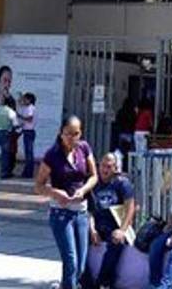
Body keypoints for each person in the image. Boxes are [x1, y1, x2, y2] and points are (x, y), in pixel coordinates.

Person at [35, 114, 97, 289]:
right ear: (61, 133)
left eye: (76, 134)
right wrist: (55, 192)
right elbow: (38, 185)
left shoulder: (84, 148)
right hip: (61, 213)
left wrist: (83, 190)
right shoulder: (52, 155)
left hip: (81, 212)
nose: (72, 138)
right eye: (68, 133)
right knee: (71, 262)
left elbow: (94, 176)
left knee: (80, 266)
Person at [87, 151, 135, 289]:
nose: (105, 169)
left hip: (114, 225)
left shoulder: (122, 183)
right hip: (98, 224)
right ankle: (85, 282)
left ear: (115, 168)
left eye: (109, 167)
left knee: (117, 242)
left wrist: (122, 230)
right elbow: (89, 211)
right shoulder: (94, 183)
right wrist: (92, 230)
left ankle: (103, 282)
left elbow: (130, 208)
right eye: (103, 166)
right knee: (78, 240)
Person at [18, 92, 37, 179]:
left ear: (29, 100)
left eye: (25, 99)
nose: (24, 100)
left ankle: (29, 173)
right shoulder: (26, 108)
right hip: (26, 131)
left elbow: (29, 119)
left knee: (29, 153)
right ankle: (26, 172)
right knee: (28, 153)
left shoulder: (31, 108)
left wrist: (20, 116)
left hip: (29, 131)